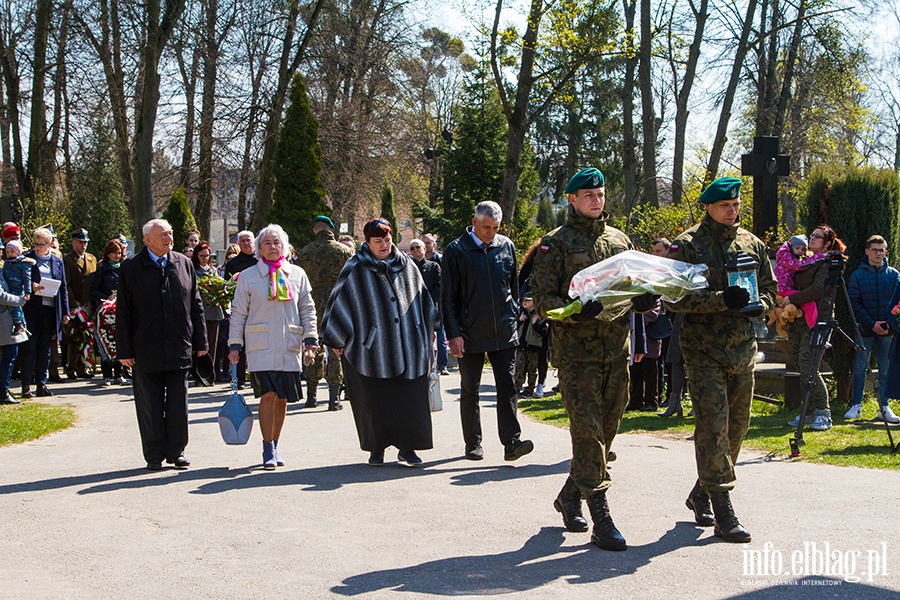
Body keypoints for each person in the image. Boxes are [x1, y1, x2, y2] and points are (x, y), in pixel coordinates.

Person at [532, 167, 652, 552]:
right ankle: (602, 516)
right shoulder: (556, 243)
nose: (596, 201)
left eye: (600, 194)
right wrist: (574, 310)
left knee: (607, 430)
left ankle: (569, 495)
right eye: (588, 195)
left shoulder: (619, 240)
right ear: (572, 199)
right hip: (576, 355)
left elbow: (632, 285)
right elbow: (543, 300)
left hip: (615, 350)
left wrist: (644, 300)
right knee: (588, 432)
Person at [666, 176, 776, 544]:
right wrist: (719, 301)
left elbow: (771, 288)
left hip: (742, 349)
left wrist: (765, 305)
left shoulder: (752, 243)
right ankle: (723, 506)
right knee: (713, 425)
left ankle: (702, 491)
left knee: (737, 427)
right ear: (709, 207)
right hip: (702, 350)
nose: (733, 210)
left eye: (736, 204)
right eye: (725, 205)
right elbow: (674, 299)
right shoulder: (688, 245)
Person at [321, 218, 439, 467]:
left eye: (387, 240)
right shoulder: (355, 267)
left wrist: (430, 329)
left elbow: (423, 299)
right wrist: (336, 337)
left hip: (410, 345)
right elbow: (339, 302)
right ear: (367, 242)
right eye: (378, 241)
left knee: (409, 400)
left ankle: (408, 447)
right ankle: (377, 449)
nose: (384, 245)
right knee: (375, 402)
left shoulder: (407, 265)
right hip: (372, 350)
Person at [442, 201, 533, 463]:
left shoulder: (506, 246)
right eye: (485, 227)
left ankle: (512, 442)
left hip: (504, 331)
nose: (490, 232)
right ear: (474, 223)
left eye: (495, 227)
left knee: (507, 386)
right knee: (470, 388)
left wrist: (514, 313)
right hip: (468, 332)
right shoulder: (456, 250)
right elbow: (447, 298)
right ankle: (473, 443)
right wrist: (454, 334)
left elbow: (513, 286)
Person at [117, 219, 207, 471]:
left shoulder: (184, 263)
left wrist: (201, 341)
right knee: (150, 404)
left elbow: (195, 305)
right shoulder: (131, 267)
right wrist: (124, 350)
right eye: (163, 235)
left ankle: (177, 450)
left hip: (179, 344)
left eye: (170, 233)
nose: (169, 238)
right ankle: (154, 453)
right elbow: (123, 312)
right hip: (146, 346)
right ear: (147, 240)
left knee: (179, 402)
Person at [228, 224, 318, 469]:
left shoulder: (297, 274)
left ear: (285, 247)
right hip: (260, 346)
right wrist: (234, 343)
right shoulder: (248, 277)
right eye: (266, 243)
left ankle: (276, 443)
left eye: (276, 242)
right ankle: (267, 446)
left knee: (282, 399)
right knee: (268, 395)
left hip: (289, 345)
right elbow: (238, 313)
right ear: (258, 248)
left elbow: (307, 308)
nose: (272, 247)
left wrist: (311, 337)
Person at [780, 225, 847, 431]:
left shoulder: (827, 263)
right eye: (811, 235)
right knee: (801, 365)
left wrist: (791, 298)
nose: (812, 239)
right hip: (797, 318)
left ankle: (823, 412)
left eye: (817, 237)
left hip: (818, 319)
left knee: (809, 365)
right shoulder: (805, 261)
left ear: (827, 243)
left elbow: (818, 289)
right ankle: (808, 412)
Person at [295, 216, 353, 410]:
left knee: (313, 347)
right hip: (337, 301)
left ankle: (311, 396)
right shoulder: (344, 251)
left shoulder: (304, 252)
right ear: (331, 230)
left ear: (315, 230)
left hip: (311, 301)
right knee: (336, 348)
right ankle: (334, 399)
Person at [846, 234, 899, 423]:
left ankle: (884, 406)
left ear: (886, 251)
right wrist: (872, 324)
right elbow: (854, 303)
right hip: (865, 329)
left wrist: (888, 323)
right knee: (860, 366)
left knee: (885, 369)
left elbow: (897, 302)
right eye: (875, 250)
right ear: (867, 251)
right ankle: (856, 405)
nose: (878, 253)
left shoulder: (894, 274)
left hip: (887, 330)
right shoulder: (858, 275)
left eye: (882, 250)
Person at [20, 227, 70, 398]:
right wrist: (30, 287)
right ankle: (26, 385)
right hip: (32, 309)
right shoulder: (27, 259)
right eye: (36, 244)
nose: (38, 247)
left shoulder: (57, 261)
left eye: (42, 244)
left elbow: (63, 287)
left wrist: (65, 312)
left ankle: (42, 384)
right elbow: (18, 282)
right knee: (30, 347)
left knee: (45, 348)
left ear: (49, 244)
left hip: (50, 309)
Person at [224, 231, 259, 389]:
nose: (246, 243)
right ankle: (239, 379)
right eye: (243, 241)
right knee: (239, 343)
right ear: (238, 243)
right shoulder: (233, 264)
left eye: (249, 240)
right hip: (240, 306)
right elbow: (227, 287)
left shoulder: (260, 261)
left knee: (255, 344)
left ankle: (255, 377)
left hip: (258, 307)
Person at [91, 238, 128, 385]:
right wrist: (107, 298)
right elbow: (94, 290)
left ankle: (119, 374)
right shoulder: (102, 269)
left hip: (121, 309)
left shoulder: (125, 268)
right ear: (108, 254)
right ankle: (106, 375)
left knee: (120, 341)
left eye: (119, 253)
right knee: (106, 342)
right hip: (105, 312)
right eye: (113, 253)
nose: (116, 256)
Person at [63, 228, 97, 378]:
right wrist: (73, 304)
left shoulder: (91, 259)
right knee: (73, 338)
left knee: (87, 336)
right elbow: (66, 284)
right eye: (80, 242)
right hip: (74, 305)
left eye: (85, 242)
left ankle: (84, 367)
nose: (83, 245)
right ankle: (71, 368)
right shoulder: (67, 260)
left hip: (88, 304)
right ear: (73, 242)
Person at [191, 241, 225, 386]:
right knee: (200, 345)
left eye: (207, 255)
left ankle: (210, 375)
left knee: (213, 345)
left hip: (214, 312)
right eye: (202, 255)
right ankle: (198, 375)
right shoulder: (193, 271)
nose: (205, 258)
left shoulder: (213, 271)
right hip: (201, 312)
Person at [0, 269, 29, 403]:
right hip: (3, 320)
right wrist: (19, 300)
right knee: (9, 356)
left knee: (10, 355)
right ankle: (3, 392)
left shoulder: (3, 271)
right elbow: (1, 296)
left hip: (6, 320)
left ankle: (3, 390)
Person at [3, 241, 32, 335]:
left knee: (14, 305)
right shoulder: (7, 263)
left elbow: (27, 278)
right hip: (8, 287)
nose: (9, 254)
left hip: (17, 287)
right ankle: (23, 325)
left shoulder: (23, 263)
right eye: (7, 252)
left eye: (12, 251)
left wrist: (28, 292)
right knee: (13, 307)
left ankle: (19, 323)